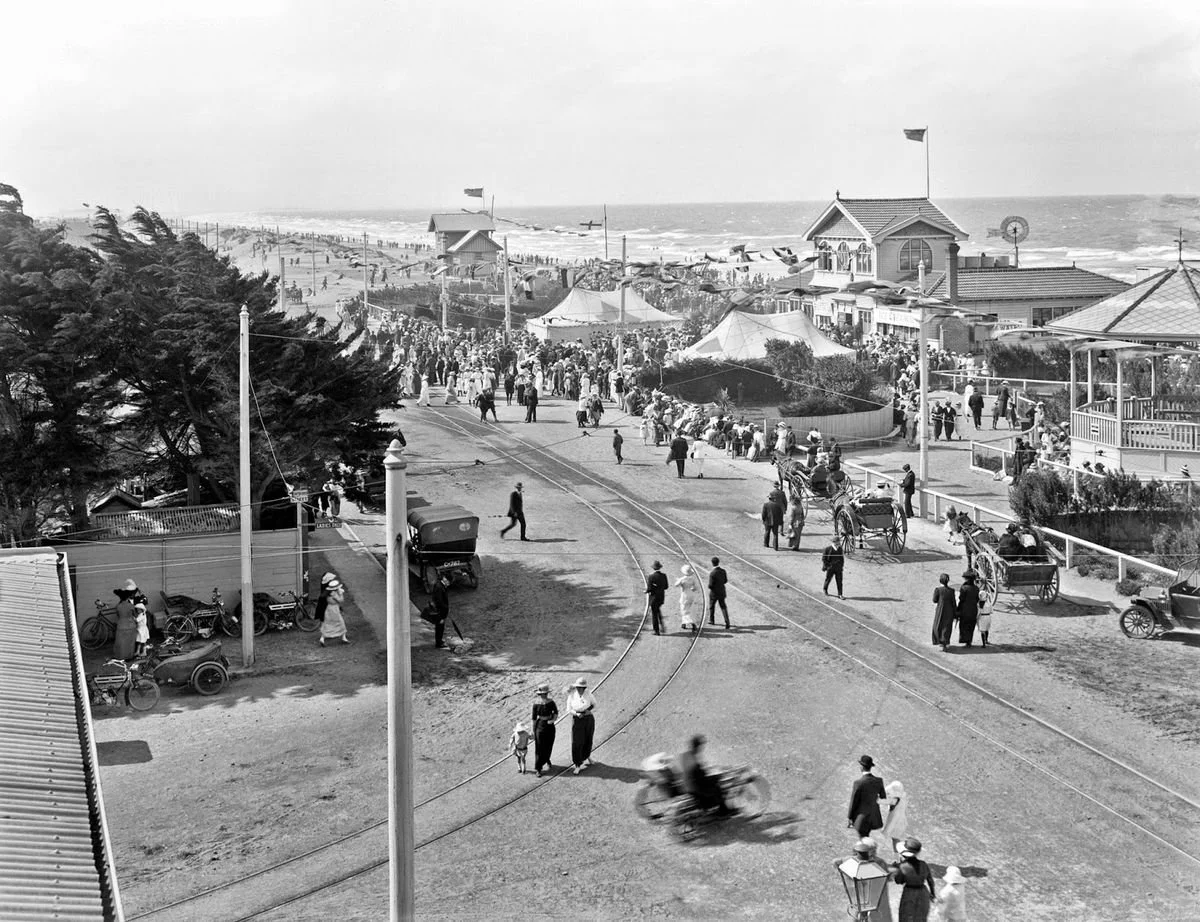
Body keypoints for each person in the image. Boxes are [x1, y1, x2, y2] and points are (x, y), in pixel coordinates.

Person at [677, 734, 732, 816]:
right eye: (700, 746)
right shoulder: (693, 761)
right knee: (717, 788)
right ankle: (723, 811)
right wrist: (716, 777)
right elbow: (701, 779)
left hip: (688, 785)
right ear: (697, 746)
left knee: (714, 782)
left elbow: (697, 774)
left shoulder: (685, 755)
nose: (701, 748)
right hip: (695, 787)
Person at [841, 839, 895, 922]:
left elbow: (837, 863)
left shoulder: (850, 861)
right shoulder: (879, 863)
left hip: (861, 898)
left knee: (857, 913)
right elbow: (888, 877)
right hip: (874, 899)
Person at [893, 837, 938, 922]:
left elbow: (898, 881)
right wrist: (932, 894)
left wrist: (897, 869)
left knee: (906, 917)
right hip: (923, 893)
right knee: (921, 917)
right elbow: (930, 880)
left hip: (909, 894)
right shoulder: (923, 864)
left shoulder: (903, 866)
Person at [847, 754, 886, 838]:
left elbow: (854, 802)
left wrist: (850, 817)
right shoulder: (879, 781)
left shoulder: (858, 783)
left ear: (861, 767)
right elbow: (883, 797)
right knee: (866, 837)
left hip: (861, 817)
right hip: (874, 816)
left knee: (862, 839)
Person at [566, 677, 597, 774]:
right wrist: (576, 714)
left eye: (582, 687)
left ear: (585, 688)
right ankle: (578, 764)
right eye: (578, 687)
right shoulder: (572, 695)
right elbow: (568, 709)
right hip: (577, 719)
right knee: (577, 742)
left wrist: (588, 711)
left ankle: (587, 756)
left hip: (588, 719)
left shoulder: (588, 694)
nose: (580, 689)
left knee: (588, 739)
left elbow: (594, 704)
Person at [531, 683, 559, 777]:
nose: (544, 695)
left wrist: (553, 720)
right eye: (542, 694)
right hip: (540, 726)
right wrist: (533, 730)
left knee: (549, 744)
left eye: (545, 693)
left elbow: (556, 712)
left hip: (550, 726)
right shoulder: (536, 704)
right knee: (539, 747)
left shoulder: (551, 702)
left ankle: (547, 759)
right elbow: (534, 718)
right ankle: (538, 768)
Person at [319, 572, 351, 646]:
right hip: (334, 610)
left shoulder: (327, 593)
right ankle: (343, 637)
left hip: (328, 609)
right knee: (341, 623)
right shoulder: (334, 594)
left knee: (327, 624)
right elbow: (341, 600)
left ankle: (322, 638)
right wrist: (341, 594)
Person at [881, 780, 908, 855]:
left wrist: (885, 832)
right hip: (900, 822)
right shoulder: (901, 798)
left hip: (896, 823)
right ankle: (898, 856)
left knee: (894, 839)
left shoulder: (895, 801)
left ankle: (898, 856)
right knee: (895, 839)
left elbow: (882, 801)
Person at [932, 573, 956, 652]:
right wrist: (955, 613)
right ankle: (945, 642)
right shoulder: (951, 591)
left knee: (938, 625)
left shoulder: (938, 590)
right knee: (947, 627)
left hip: (940, 610)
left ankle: (940, 641)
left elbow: (934, 600)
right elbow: (954, 602)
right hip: (949, 611)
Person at [957, 570, 980, 647]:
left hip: (965, 609)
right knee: (971, 625)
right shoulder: (976, 588)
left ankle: (964, 639)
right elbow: (977, 599)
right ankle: (969, 641)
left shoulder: (964, 588)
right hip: (973, 609)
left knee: (964, 625)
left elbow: (961, 598)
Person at [645, 560, 669, 635]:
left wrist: (646, 591)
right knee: (658, 610)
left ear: (653, 568)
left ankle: (656, 630)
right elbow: (666, 587)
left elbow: (649, 589)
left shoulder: (651, 576)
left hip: (654, 597)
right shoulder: (664, 575)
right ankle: (662, 626)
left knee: (654, 614)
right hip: (661, 597)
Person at [428, 574, 450, 649]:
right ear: (445, 579)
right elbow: (440, 601)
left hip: (440, 610)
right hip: (440, 611)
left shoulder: (439, 585)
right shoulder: (439, 587)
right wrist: (445, 608)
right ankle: (439, 643)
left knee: (440, 627)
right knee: (440, 627)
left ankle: (439, 641)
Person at [677, 564, 701, 633]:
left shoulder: (682, 579)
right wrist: (692, 588)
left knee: (684, 609)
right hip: (691, 595)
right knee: (691, 610)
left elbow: (676, 584)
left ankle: (685, 623)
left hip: (684, 595)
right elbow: (697, 587)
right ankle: (690, 623)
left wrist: (679, 581)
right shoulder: (693, 579)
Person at [707, 557, 730, 628]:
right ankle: (727, 621)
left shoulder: (712, 573)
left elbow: (710, 585)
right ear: (718, 562)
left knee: (712, 606)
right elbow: (725, 581)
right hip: (722, 591)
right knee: (723, 606)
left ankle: (712, 620)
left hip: (714, 593)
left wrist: (711, 587)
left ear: (712, 563)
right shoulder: (723, 571)